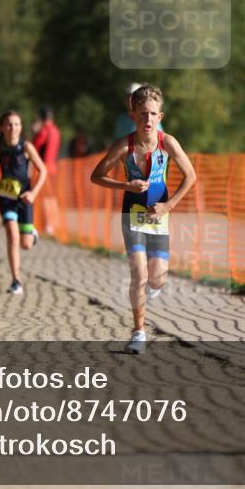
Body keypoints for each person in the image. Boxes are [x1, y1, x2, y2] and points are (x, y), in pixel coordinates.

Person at [90, 85, 196, 355]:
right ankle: (139, 331)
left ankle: (149, 291)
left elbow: (190, 176)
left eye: (152, 114)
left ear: (160, 116)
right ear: (132, 115)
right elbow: (96, 176)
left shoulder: (168, 143)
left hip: (159, 216)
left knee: (157, 278)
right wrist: (127, 186)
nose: (147, 119)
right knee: (139, 273)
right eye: (142, 114)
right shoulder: (123, 146)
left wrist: (169, 206)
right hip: (132, 215)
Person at [0, 110, 48, 295]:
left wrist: (33, 193)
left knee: (25, 244)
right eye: (8, 124)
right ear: (2, 128)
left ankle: (32, 235)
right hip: (6, 197)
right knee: (12, 235)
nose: (13, 128)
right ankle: (16, 280)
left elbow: (43, 170)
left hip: (25, 197)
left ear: (21, 127)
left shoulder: (26, 147)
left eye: (16, 124)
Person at [32, 106, 62, 236]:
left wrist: (35, 132)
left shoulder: (43, 131)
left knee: (44, 197)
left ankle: (49, 225)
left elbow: (33, 148)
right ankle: (54, 223)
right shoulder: (56, 131)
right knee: (51, 197)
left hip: (43, 169)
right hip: (53, 167)